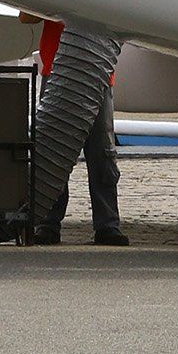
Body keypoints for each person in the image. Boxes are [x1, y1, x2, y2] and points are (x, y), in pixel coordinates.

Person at [31, 19, 127, 245]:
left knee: (100, 153)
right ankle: (50, 223)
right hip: (67, 72)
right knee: (54, 148)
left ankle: (106, 225)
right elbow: (26, 16)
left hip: (90, 72)